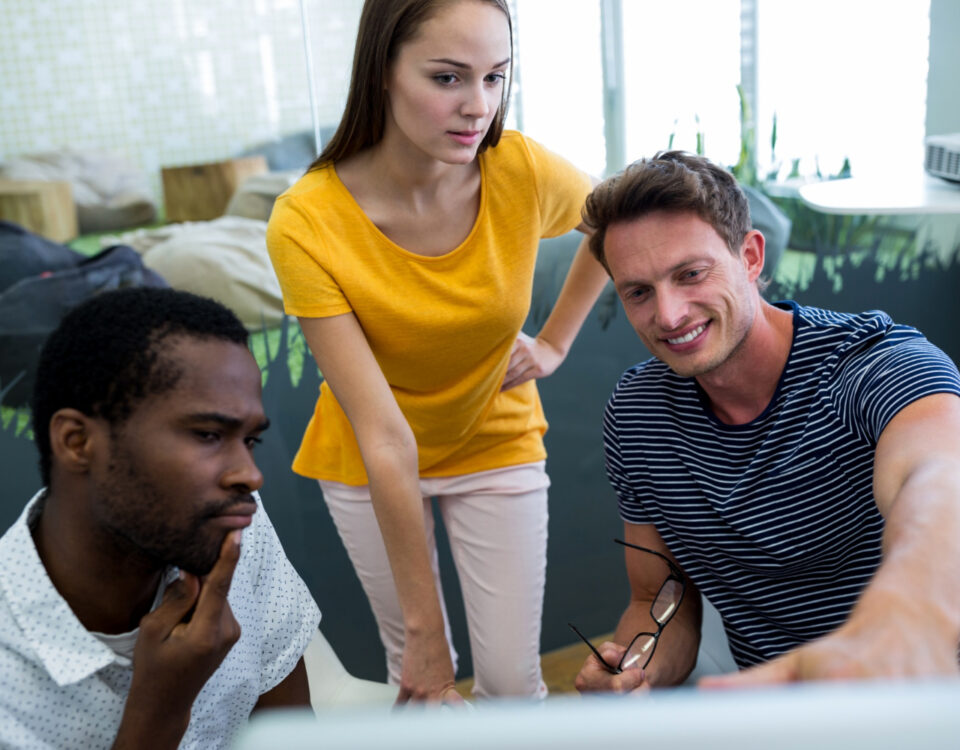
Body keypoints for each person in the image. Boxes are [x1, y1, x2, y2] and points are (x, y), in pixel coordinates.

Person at [266, 0, 609, 701]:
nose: (477, 106)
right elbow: (384, 436)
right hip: (371, 457)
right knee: (417, 675)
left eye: (495, 77)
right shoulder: (307, 221)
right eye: (448, 78)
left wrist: (553, 342)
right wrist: (425, 637)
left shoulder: (519, 168)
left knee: (513, 685)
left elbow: (615, 221)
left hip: (495, 435)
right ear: (383, 71)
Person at [572, 151, 960, 693]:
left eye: (691, 274)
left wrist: (910, 607)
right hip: (770, 703)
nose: (669, 315)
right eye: (639, 292)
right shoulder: (638, 414)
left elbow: (940, 478)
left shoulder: (872, 363)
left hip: (919, 688)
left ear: (750, 257)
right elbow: (658, 598)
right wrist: (636, 667)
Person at [0, 288, 322, 749]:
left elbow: (294, 738)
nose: (249, 475)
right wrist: (161, 711)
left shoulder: (227, 522)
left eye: (250, 441)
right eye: (208, 434)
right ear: (76, 442)